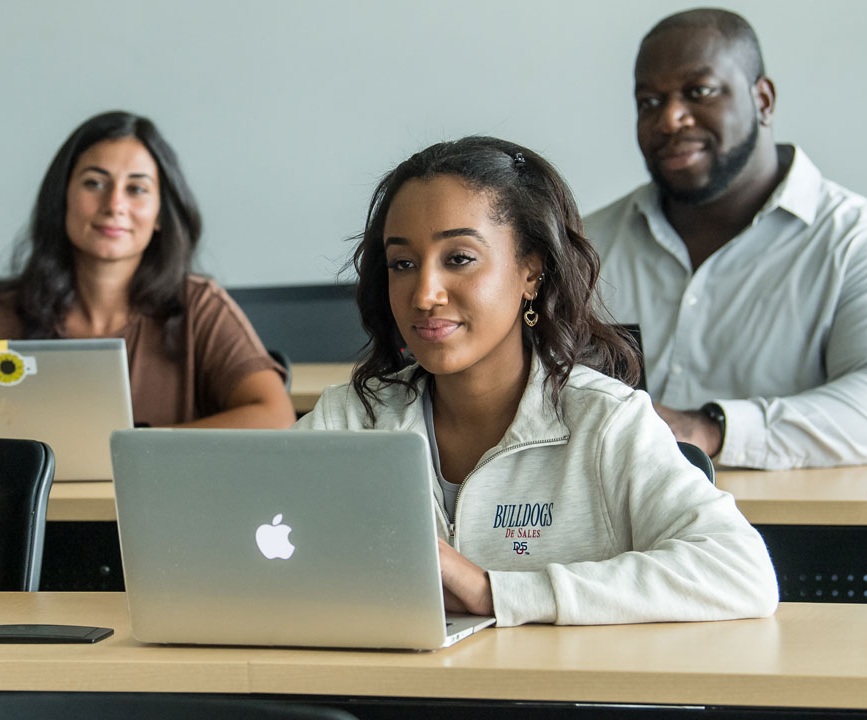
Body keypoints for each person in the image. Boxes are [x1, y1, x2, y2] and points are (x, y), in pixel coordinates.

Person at [295, 136, 778, 627]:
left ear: (532, 271)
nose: (424, 293)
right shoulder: (349, 421)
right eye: (403, 264)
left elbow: (741, 571)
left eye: (459, 258)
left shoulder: (606, 422)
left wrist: (496, 593)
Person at [585, 9, 867, 470]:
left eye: (699, 91)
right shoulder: (585, 245)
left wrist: (710, 429)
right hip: (616, 535)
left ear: (764, 100)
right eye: (649, 101)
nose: (670, 119)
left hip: (795, 536)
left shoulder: (860, 245)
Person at [0, 111, 296, 428]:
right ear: (62, 199)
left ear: (160, 214)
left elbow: (276, 416)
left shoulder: (199, 307)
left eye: (137, 189)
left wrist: (138, 451)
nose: (114, 204)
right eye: (94, 183)